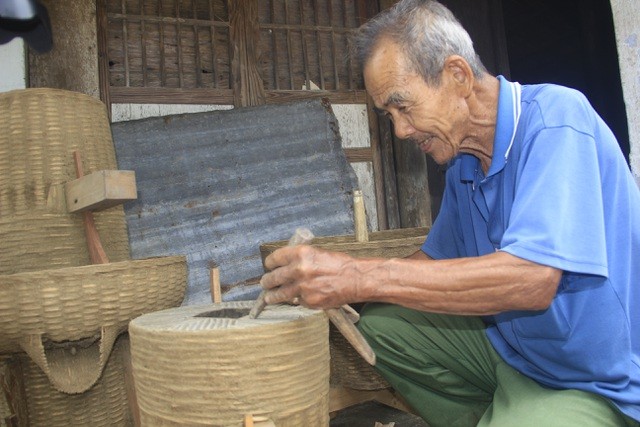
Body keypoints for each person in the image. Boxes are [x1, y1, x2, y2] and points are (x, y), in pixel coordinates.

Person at [260, 0, 640, 425]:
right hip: (517, 355)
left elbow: (533, 280)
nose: (400, 130)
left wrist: (357, 275)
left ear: (457, 76)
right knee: (385, 327)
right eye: (388, 115)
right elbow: (434, 258)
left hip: (597, 380)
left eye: (403, 107)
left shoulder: (555, 122)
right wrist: (335, 285)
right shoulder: (463, 162)